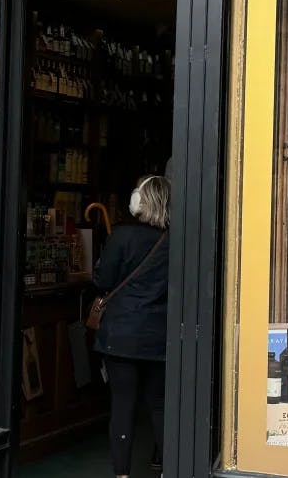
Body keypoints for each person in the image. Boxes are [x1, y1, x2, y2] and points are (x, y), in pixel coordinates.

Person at [93, 174, 170, 478]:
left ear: (140, 201)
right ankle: (166, 467)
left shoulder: (122, 236)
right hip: (158, 335)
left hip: (122, 335)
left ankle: (122, 473)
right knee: (160, 405)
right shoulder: (174, 239)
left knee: (122, 405)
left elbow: (102, 280)